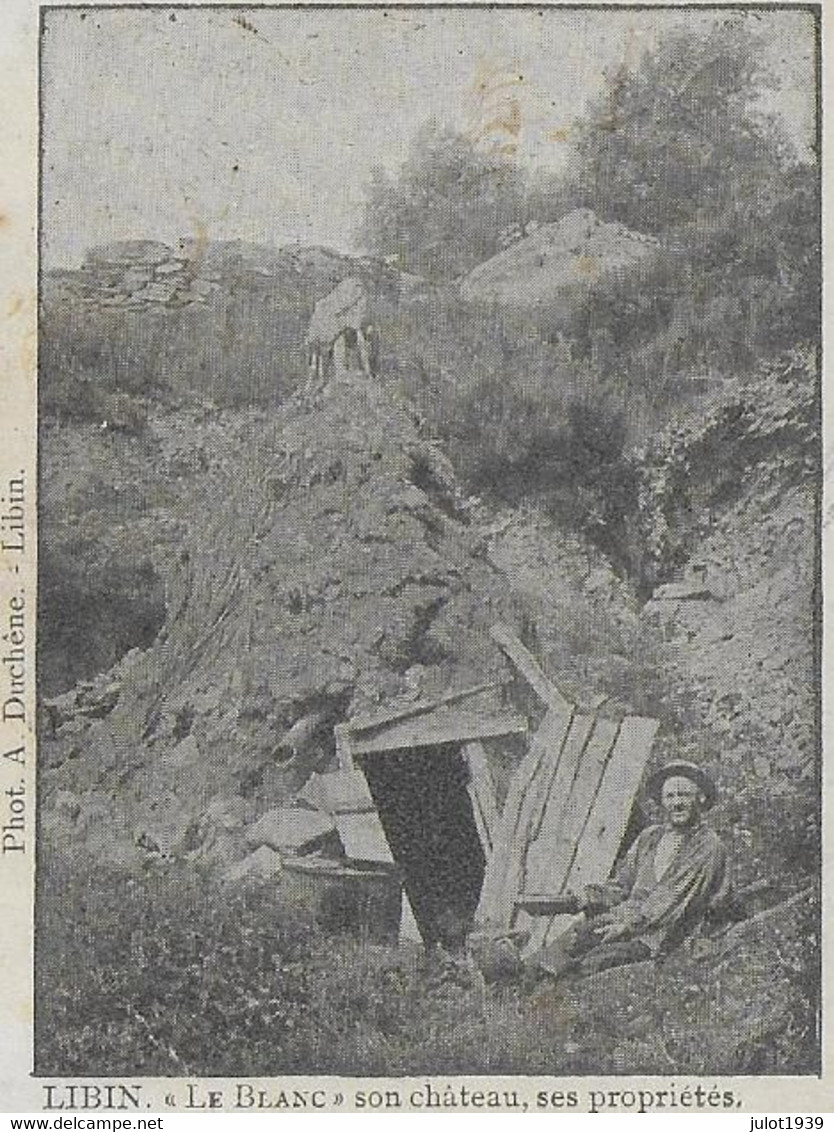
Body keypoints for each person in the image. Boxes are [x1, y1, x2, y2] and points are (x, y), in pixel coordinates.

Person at [528, 760, 730, 979]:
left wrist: (626, 926)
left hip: (664, 933)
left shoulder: (707, 845)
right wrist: (586, 899)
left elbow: (672, 899)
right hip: (627, 920)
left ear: (700, 799)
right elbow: (622, 885)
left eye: (684, 795)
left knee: (593, 963)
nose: (677, 803)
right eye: (670, 796)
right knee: (568, 942)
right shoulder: (650, 837)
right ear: (662, 801)